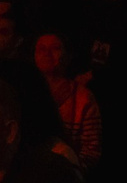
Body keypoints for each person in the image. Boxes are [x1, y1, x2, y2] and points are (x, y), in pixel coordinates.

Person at [34, 33, 104, 167]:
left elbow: (91, 151)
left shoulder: (83, 98)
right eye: (41, 49)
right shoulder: (25, 92)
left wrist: (69, 171)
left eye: (55, 48)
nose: (47, 53)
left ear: (67, 55)